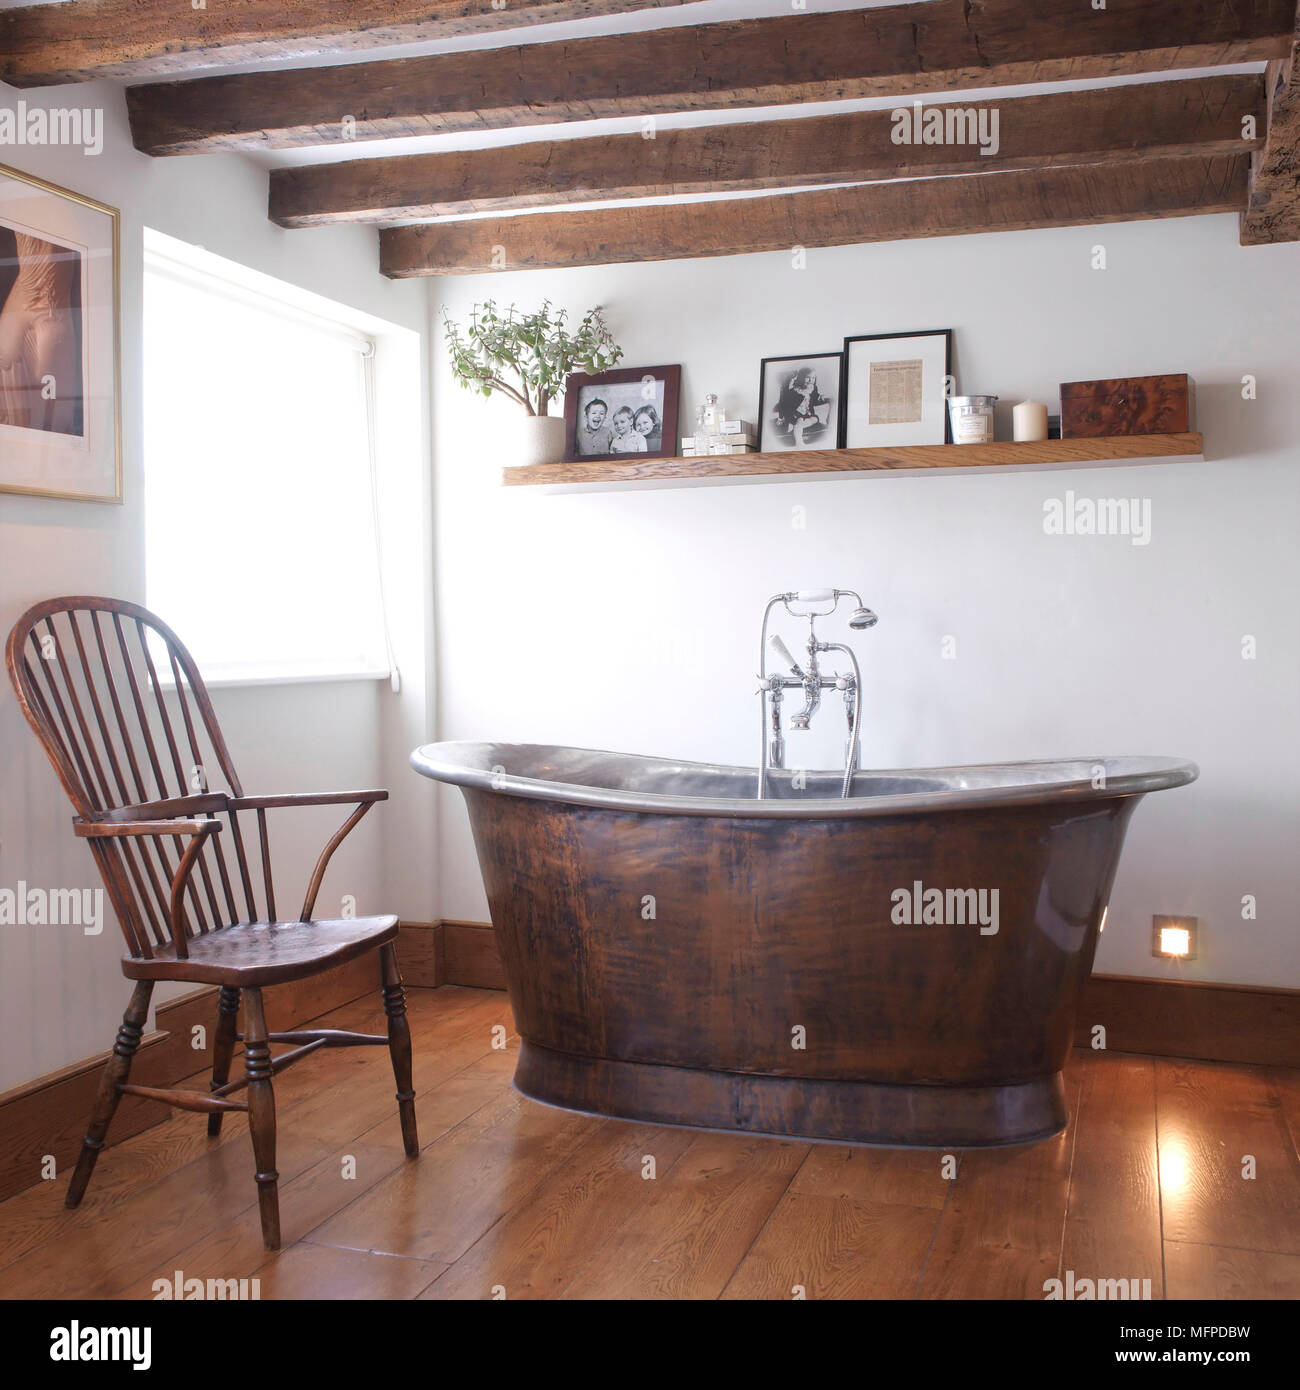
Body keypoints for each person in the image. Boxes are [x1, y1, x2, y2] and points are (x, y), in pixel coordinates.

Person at [774, 366, 831, 447]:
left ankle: (795, 425)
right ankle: (799, 442)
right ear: (801, 378)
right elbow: (785, 404)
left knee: (815, 419)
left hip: (808, 414)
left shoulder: (813, 388)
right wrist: (781, 417)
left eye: (813, 378)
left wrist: (820, 397)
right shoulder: (795, 390)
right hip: (795, 414)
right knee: (799, 422)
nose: (811, 380)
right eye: (808, 378)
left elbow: (815, 397)